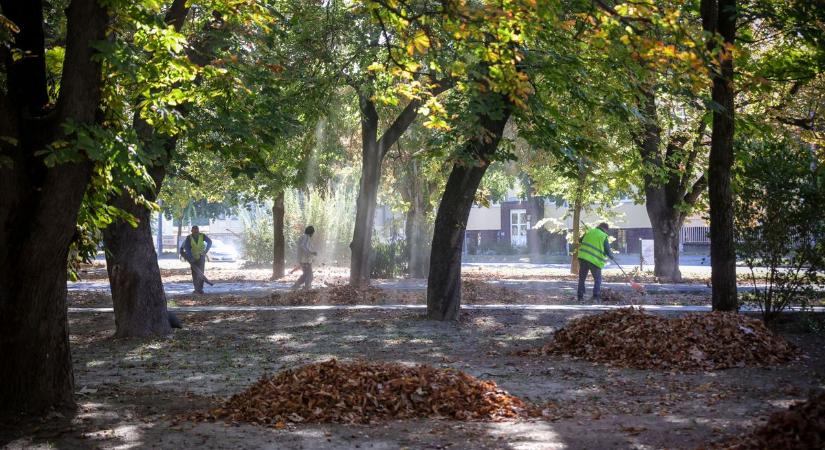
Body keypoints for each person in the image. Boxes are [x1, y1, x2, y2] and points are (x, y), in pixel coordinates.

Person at [576, 222, 613, 303]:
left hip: (583, 258)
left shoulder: (589, 232)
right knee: (598, 279)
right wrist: (612, 256)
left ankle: (580, 297)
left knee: (582, 279)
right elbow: (608, 251)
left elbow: (580, 240)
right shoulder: (603, 236)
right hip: (594, 260)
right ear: (605, 229)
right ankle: (595, 296)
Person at [180, 225, 212, 294]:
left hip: (201, 257)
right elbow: (187, 248)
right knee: (195, 274)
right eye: (194, 231)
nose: (195, 233)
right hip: (193, 258)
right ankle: (196, 289)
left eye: (196, 231)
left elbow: (210, 242)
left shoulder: (202, 236)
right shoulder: (189, 238)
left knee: (201, 273)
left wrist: (205, 251)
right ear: (191, 231)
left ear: (198, 231)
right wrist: (191, 258)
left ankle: (200, 289)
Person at [291, 226, 317, 290]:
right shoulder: (306, 237)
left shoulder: (303, 236)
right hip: (305, 260)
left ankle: (296, 285)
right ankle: (307, 287)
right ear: (311, 232)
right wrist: (311, 252)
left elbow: (303, 246)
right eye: (312, 233)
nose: (312, 235)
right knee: (310, 275)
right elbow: (303, 246)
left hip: (303, 259)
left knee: (305, 274)